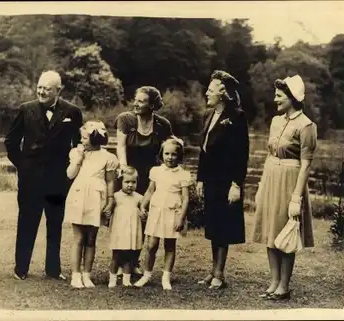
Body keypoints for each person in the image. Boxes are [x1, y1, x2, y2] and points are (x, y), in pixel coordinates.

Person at [4, 70, 83, 281]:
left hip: (58, 180)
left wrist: (71, 172)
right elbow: (11, 142)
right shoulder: (26, 109)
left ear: (58, 90)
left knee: (55, 224)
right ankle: (21, 268)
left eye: (47, 89)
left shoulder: (72, 112)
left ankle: (53, 270)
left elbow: (78, 145)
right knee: (27, 222)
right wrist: (23, 166)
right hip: (30, 180)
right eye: (39, 87)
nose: (41, 91)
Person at [251, 75, 317, 301]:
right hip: (271, 177)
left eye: (279, 96)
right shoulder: (275, 121)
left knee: (286, 231)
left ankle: (284, 286)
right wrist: (261, 187)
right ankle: (273, 282)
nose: (275, 99)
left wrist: (296, 197)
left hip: (291, 181)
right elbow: (270, 156)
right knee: (271, 231)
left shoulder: (307, 125)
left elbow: (306, 164)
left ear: (292, 98)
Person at [196, 70, 249, 290]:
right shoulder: (208, 115)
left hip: (227, 181)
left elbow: (242, 153)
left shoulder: (237, 116)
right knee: (213, 225)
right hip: (210, 180)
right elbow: (203, 151)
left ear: (222, 92)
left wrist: (236, 184)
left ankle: (220, 272)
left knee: (223, 227)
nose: (206, 93)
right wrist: (200, 180)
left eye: (210, 90)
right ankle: (212, 270)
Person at [114, 86, 173, 275]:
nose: (136, 104)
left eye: (141, 101)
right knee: (125, 217)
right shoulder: (125, 119)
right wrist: (123, 168)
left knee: (143, 218)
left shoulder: (163, 125)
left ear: (153, 105)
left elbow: (170, 148)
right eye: (136, 100)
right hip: (129, 176)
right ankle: (122, 261)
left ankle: (134, 261)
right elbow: (120, 147)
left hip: (151, 178)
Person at [64, 121, 119, 288]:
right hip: (79, 196)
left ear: (95, 139)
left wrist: (109, 202)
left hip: (97, 197)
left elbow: (110, 182)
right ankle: (76, 274)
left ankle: (87, 274)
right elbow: (70, 175)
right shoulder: (76, 153)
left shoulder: (108, 157)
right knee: (78, 238)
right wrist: (79, 159)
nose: (82, 141)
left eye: (85, 138)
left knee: (91, 238)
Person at [135, 138, 192, 290]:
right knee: (151, 244)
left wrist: (181, 218)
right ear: (162, 154)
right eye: (167, 153)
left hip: (173, 212)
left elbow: (186, 198)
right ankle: (146, 275)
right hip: (157, 210)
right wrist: (143, 207)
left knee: (170, 246)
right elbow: (150, 191)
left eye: (174, 154)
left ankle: (166, 276)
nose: (170, 157)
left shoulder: (183, 174)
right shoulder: (156, 171)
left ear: (179, 156)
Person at [108, 166, 144, 288]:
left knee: (129, 256)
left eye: (133, 182)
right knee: (116, 256)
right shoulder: (116, 197)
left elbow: (144, 211)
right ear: (121, 182)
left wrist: (144, 213)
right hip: (119, 231)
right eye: (127, 182)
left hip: (132, 232)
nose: (130, 185)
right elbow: (108, 211)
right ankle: (112, 279)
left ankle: (126, 279)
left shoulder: (139, 197)